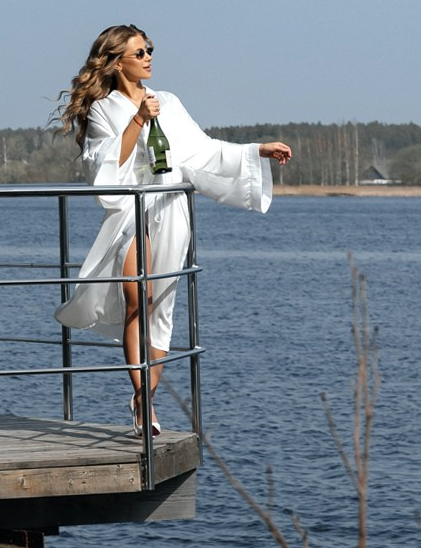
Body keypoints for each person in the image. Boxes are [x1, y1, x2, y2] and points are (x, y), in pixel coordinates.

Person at [55, 24, 292, 433]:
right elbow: (103, 164)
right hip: (132, 212)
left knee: (159, 310)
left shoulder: (168, 102)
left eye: (149, 49)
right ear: (117, 63)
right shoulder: (103, 109)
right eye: (140, 52)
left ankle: (143, 399)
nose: (148, 57)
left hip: (170, 211)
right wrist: (136, 121)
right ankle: (143, 404)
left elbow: (204, 150)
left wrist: (258, 150)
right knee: (138, 299)